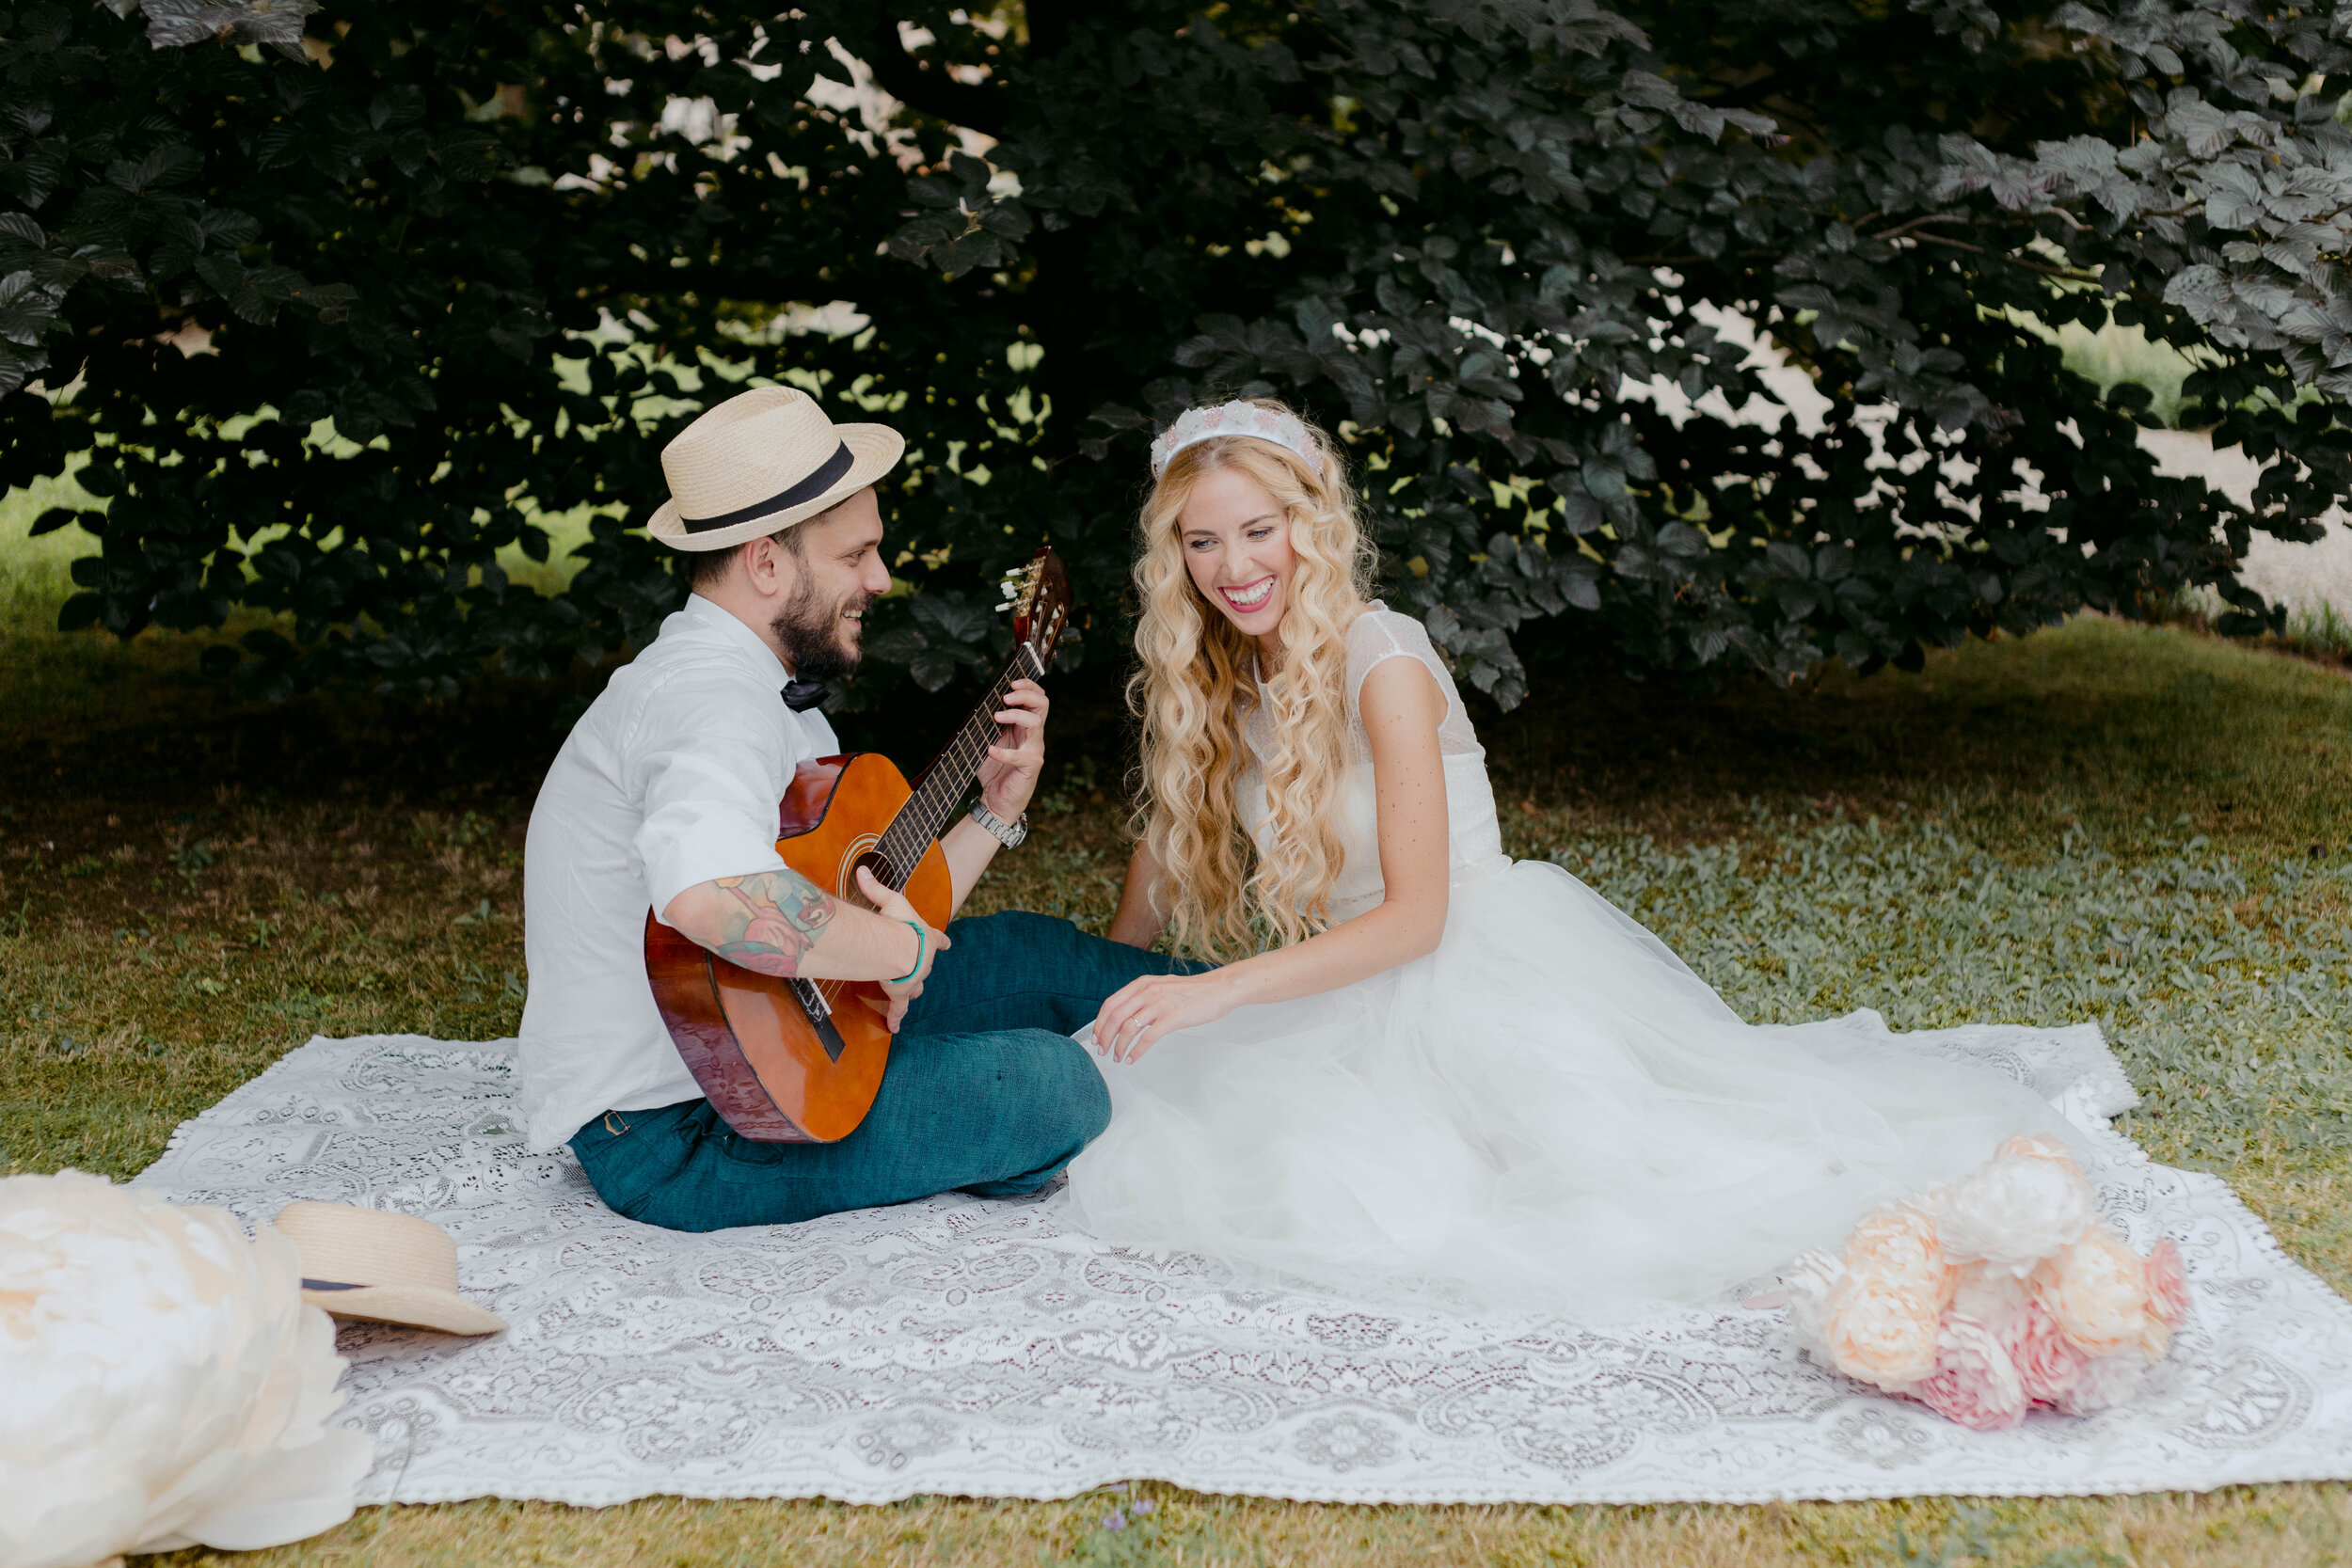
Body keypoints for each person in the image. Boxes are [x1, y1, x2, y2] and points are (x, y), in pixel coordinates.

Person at [1060, 399, 2100, 1319]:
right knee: (1217, 1144)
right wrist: (1116, 976)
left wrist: (1218, 992)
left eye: (1259, 529)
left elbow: (1417, 917)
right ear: (1175, 556)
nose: (1235, 567)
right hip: (1340, 987)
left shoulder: (1380, 659)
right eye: (1203, 541)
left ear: (1310, 525)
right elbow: (1166, 833)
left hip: (1471, 967)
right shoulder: (1223, 675)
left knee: (1570, 1198)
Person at [516, 386, 1200, 1232]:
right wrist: (891, 948)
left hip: (785, 1033)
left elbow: (876, 899)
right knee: (1055, 1086)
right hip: (688, 1127)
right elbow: (711, 894)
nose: (880, 579)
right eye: (855, 555)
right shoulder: (708, 700)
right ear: (766, 562)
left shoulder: (773, 694)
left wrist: (991, 814)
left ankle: (1273, 1017)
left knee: (1037, 955)